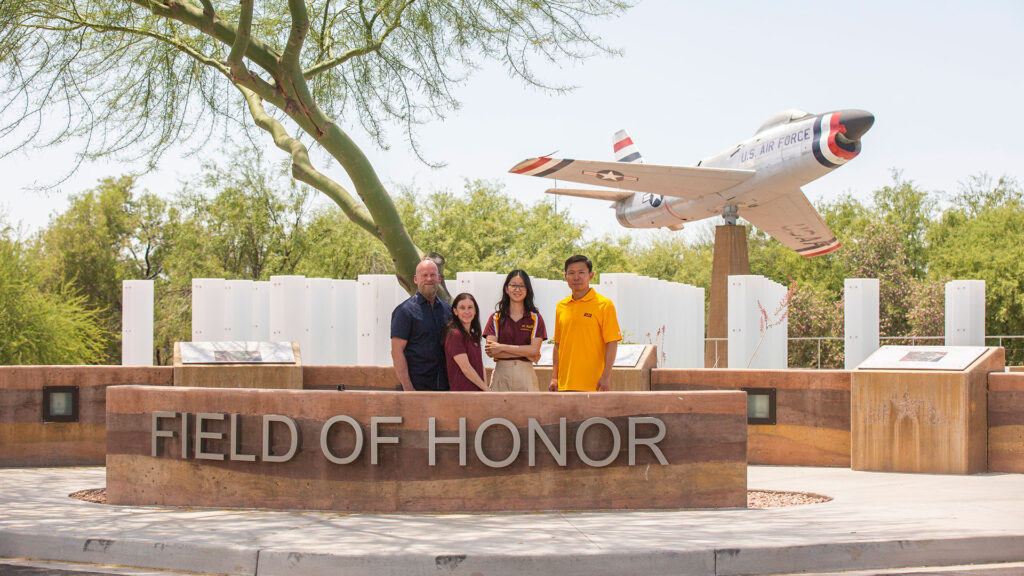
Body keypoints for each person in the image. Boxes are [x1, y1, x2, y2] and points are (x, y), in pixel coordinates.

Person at [549, 255, 622, 392]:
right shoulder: (561, 306)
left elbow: (612, 342)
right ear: (566, 276)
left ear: (591, 275)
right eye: (571, 273)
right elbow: (558, 344)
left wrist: (606, 377)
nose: (576, 277)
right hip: (564, 385)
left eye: (581, 273)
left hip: (593, 385)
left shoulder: (604, 305)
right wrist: (554, 377)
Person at [391, 259, 452, 391]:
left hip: (445, 387)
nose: (429, 279)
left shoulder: (448, 310)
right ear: (416, 279)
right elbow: (397, 352)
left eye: (432, 275)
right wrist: (408, 388)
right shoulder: (404, 311)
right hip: (416, 388)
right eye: (424, 275)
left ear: (439, 278)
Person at [483, 270, 547, 391]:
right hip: (501, 374)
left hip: (526, 374)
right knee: (499, 410)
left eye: (522, 286)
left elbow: (534, 350)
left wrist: (501, 347)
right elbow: (491, 351)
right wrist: (526, 353)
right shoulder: (495, 318)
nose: (517, 289)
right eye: (513, 285)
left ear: (527, 290)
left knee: (529, 410)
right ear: (506, 289)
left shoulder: (535, 318)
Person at [444, 293, 490, 392]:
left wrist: (485, 389)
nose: (467, 311)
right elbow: (466, 368)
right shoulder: (455, 335)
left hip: (478, 394)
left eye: (470, 307)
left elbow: (480, 365)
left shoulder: (473, 336)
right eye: (462, 308)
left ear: (475, 310)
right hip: (463, 395)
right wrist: (486, 389)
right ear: (455, 311)